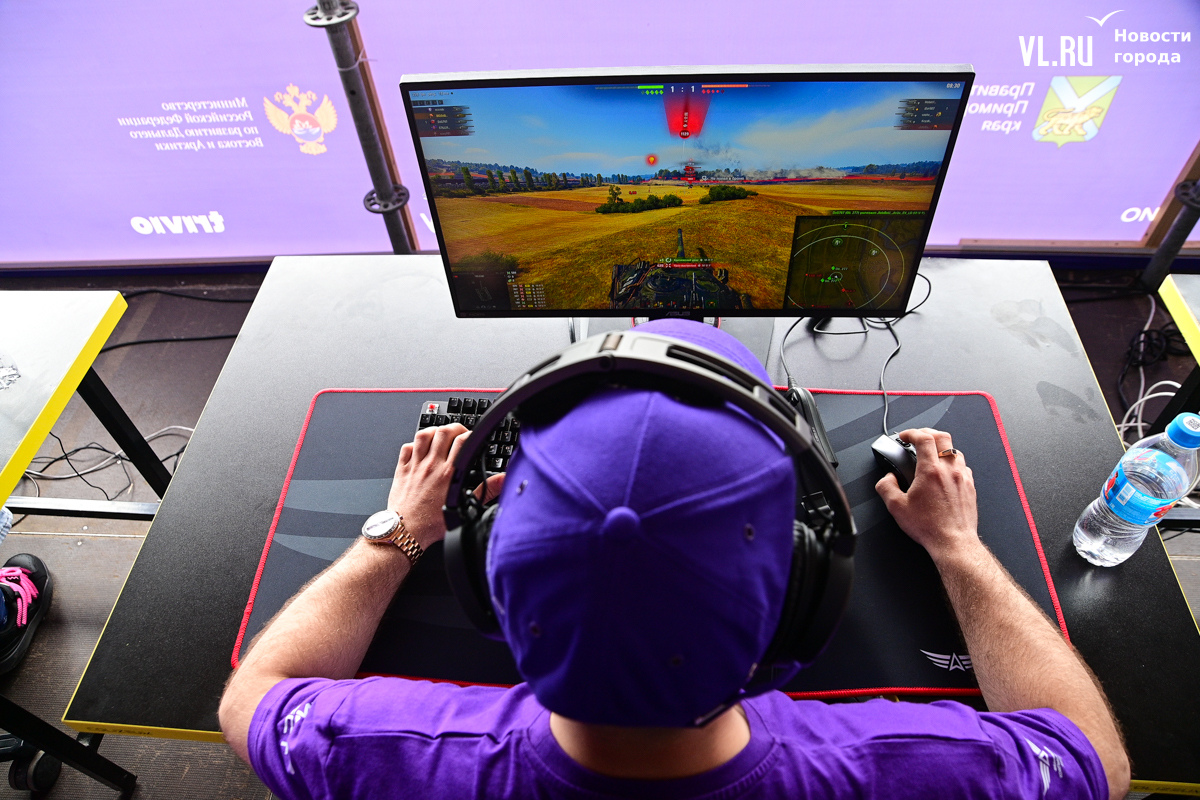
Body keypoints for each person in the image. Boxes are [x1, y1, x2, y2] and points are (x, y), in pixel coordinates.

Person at [220, 320, 1130, 800]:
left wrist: (396, 532)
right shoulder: (908, 767)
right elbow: (1093, 758)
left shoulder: (383, 752)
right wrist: (958, 550)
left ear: (487, 566)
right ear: (804, 593)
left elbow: (253, 695)